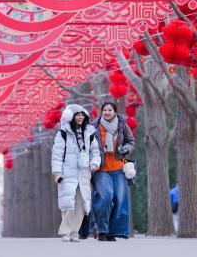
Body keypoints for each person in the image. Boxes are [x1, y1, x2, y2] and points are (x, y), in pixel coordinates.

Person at [52, 104, 101, 242]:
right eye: (77, 114)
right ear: (70, 117)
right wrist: (57, 172)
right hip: (67, 173)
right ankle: (65, 232)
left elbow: (95, 151)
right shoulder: (62, 133)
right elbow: (57, 155)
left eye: (82, 115)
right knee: (68, 203)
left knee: (82, 205)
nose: (80, 117)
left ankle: (74, 232)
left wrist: (94, 163)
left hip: (84, 173)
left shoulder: (89, 133)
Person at [91, 101, 135, 241]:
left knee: (120, 199)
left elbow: (131, 141)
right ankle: (102, 229)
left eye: (110, 110)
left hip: (118, 168)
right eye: (105, 110)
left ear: (115, 112)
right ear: (101, 112)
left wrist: (126, 148)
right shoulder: (94, 127)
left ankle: (113, 232)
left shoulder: (122, 125)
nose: (107, 112)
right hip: (101, 169)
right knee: (105, 197)